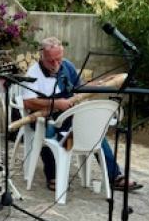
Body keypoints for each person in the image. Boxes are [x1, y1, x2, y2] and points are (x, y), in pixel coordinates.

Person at [21, 37, 141, 193]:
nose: (56, 64)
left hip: (68, 118)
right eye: (51, 61)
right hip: (44, 119)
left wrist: (102, 83)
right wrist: (56, 104)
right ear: (42, 56)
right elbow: (28, 102)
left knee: (95, 133)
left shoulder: (67, 66)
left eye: (59, 59)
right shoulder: (33, 72)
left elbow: (80, 88)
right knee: (50, 133)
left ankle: (114, 176)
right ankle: (53, 175)